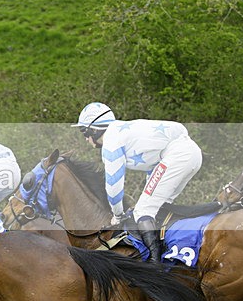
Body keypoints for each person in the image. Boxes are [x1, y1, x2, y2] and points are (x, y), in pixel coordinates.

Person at [73, 102, 202, 263]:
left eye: (83, 131)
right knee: (158, 207)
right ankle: (171, 249)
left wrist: (117, 214)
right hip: (190, 154)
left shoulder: (111, 142)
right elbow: (154, 167)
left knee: (143, 211)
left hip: (178, 155)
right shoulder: (121, 131)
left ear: (94, 129)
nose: (85, 138)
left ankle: (155, 264)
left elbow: (113, 186)